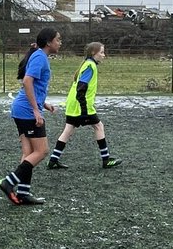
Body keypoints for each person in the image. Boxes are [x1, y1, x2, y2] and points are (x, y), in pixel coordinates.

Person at [0, 27, 61, 206]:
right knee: (42, 151)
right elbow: (27, 81)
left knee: (28, 153)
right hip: (26, 111)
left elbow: (36, 86)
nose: (60, 43)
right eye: (58, 39)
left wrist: (43, 104)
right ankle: (9, 182)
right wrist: (35, 110)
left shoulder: (40, 56)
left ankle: (23, 193)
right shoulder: (40, 57)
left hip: (21, 109)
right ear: (49, 42)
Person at [47, 42, 122, 170]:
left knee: (68, 130)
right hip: (81, 105)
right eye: (102, 52)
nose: (104, 55)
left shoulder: (87, 64)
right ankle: (106, 160)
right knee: (99, 126)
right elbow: (81, 88)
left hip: (73, 104)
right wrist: (84, 110)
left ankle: (53, 160)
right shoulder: (90, 66)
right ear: (93, 53)